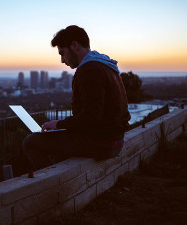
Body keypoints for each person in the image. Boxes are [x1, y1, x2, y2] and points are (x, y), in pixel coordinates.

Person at [22, 25, 130, 171]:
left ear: (74, 45)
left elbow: (90, 118)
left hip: (101, 144)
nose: (62, 60)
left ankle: (53, 185)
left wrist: (58, 124)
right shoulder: (106, 65)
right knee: (58, 145)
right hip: (115, 140)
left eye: (62, 53)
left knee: (30, 142)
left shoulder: (89, 70)